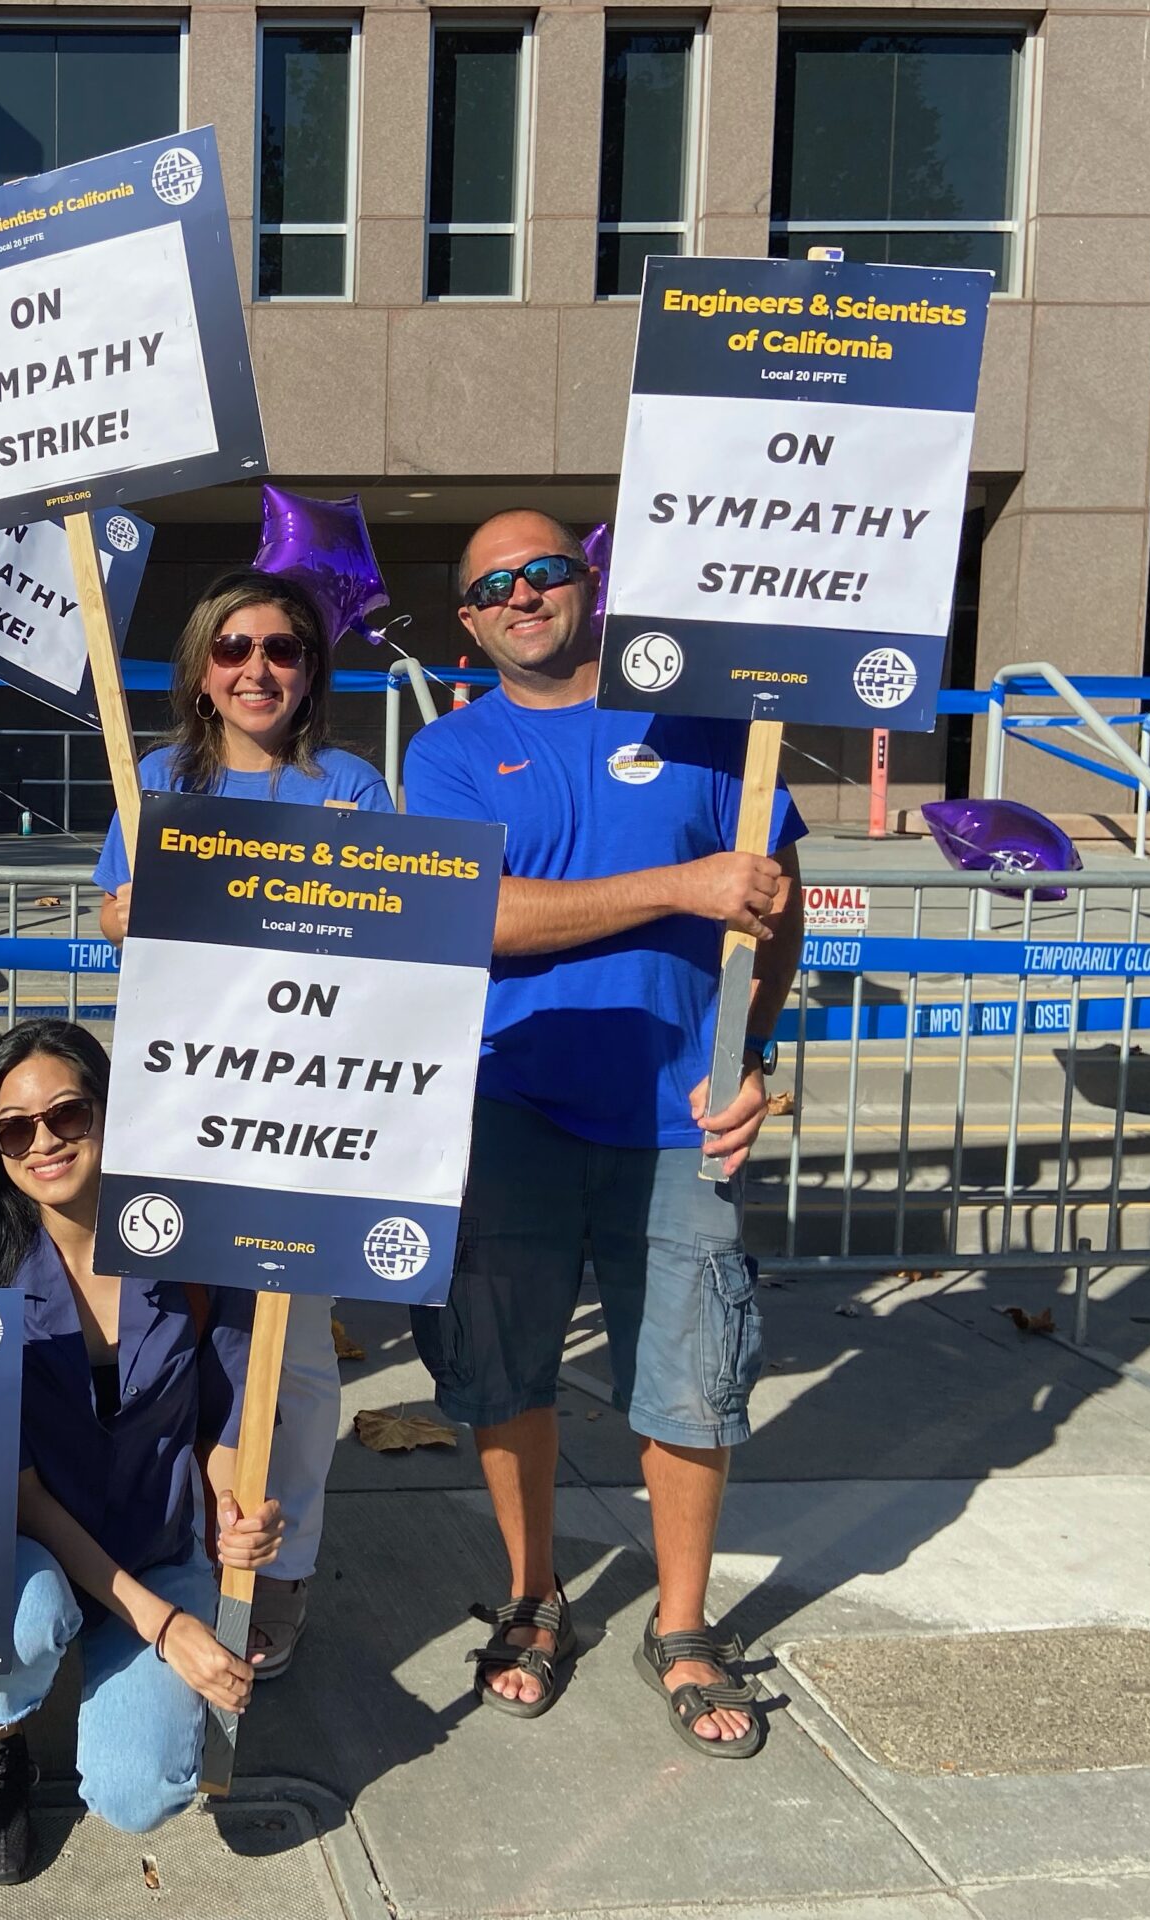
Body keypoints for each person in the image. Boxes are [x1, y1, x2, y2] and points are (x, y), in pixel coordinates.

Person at [400, 510, 804, 1758]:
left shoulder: (705, 726)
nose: (521, 596)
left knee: (689, 1382)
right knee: (502, 1372)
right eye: (493, 587)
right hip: (507, 1104)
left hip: (681, 1114)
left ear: (588, 584)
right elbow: (475, 916)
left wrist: (753, 1051)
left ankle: (680, 1625)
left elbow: (775, 899)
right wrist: (677, 887)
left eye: (544, 572)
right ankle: (534, 1596)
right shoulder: (449, 753)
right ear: (468, 622)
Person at [93, 567, 385, 1677]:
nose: (257, 668)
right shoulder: (155, 782)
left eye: (282, 649)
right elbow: (114, 915)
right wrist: (123, 913)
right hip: (185, 1101)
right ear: (200, 670)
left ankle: (281, 1568)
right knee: (173, 1338)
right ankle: (182, 1542)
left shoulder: (351, 785)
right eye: (233, 648)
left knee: (292, 1356)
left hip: (309, 1108)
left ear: (309, 672)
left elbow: (394, 934)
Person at [0, 1020, 283, 1884]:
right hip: (29, 1543)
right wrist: (168, 1628)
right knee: (29, 1620)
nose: (43, 1141)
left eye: (68, 1114)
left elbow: (224, 1420)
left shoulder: (200, 1246)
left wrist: (238, 1515)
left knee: (138, 1790)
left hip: (156, 1541)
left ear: (115, 1112)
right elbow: (23, 1496)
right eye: (14, 1129)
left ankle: (110, 1670)